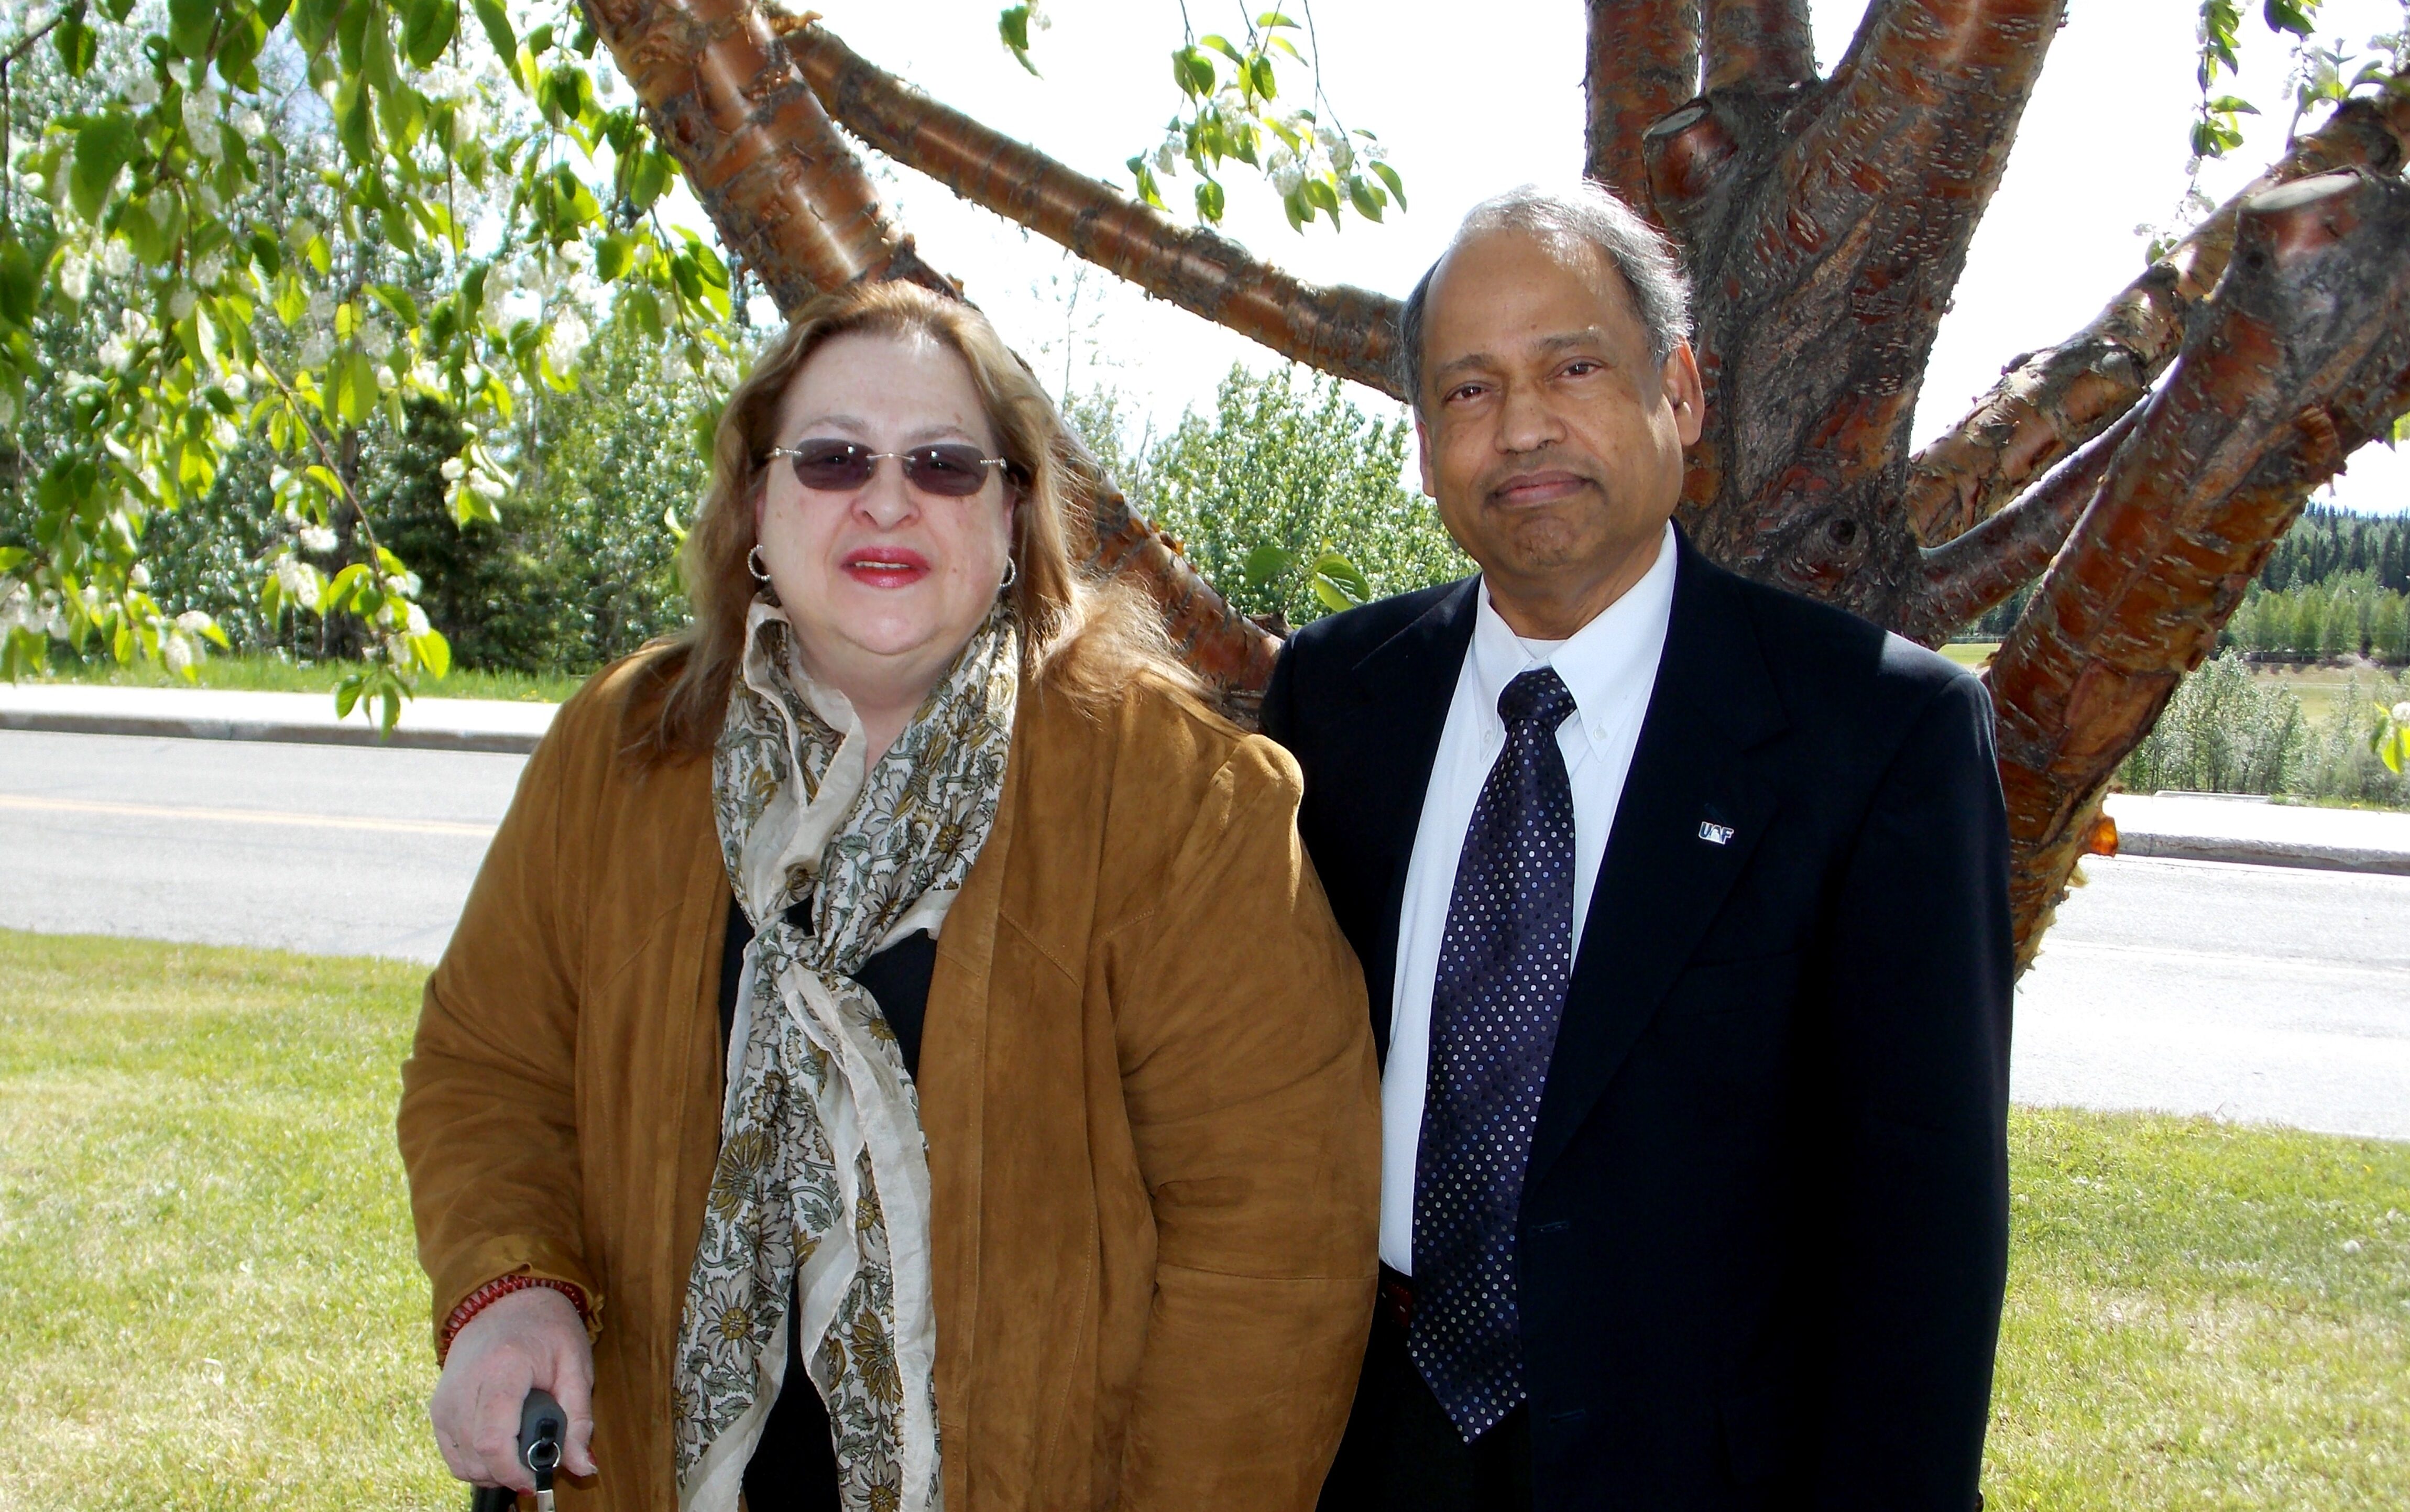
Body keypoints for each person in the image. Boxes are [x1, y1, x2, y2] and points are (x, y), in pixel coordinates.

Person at [399, 279, 1381, 1512]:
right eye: (830, 459)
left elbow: (1275, 1248)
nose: (884, 497)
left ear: (1015, 514)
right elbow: (487, 1071)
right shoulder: (624, 749)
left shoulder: (1173, 795)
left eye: (942, 466)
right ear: (757, 502)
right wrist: (512, 1286)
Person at [1264, 182, 2014, 1510]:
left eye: (1572, 367)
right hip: (1364, 1447)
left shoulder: (1876, 736)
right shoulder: (1335, 701)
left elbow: (1922, 1244)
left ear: (1678, 392)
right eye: (1469, 391)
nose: (1524, 429)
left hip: (1702, 1460)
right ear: (1426, 441)